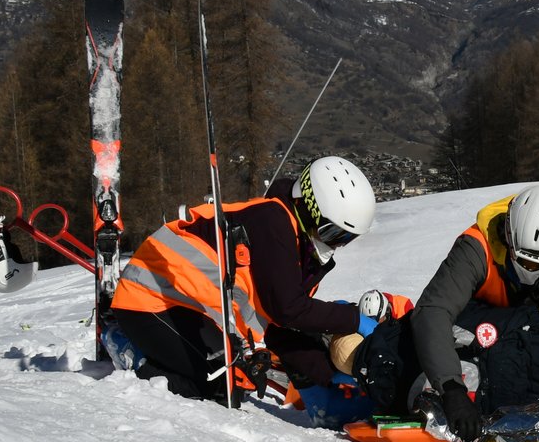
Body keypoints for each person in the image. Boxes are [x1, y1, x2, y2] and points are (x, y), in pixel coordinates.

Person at [110, 155, 377, 411]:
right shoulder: (272, 222)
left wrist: (326, 374)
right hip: (149, 301)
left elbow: (277, 327)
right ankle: (129, 350)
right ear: (309, 207)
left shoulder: (298, 246)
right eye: (332, 232)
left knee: (232, 384)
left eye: (346, 238)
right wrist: (354, 319)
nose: (336, 244)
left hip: (190, 308)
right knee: (222, 383)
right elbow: (289, 309)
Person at [408, 184, 539, 442]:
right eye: (530, 263)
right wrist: (452, 390)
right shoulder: (476, 248)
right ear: (509, 239)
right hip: (478, 340)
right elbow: (433, 311)